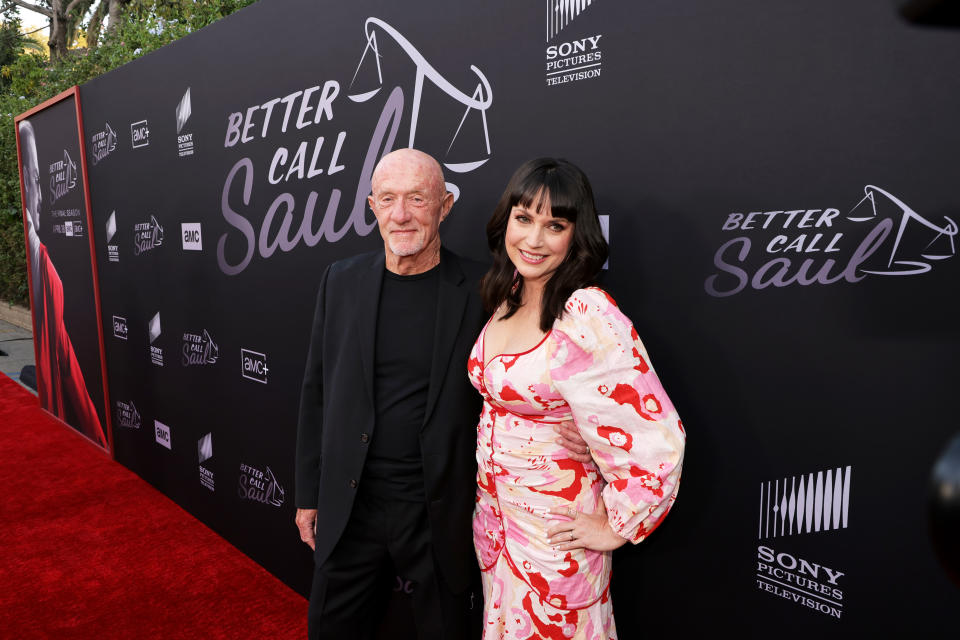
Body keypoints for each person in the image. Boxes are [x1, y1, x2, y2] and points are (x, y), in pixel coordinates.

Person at [294, 148, 590, 639]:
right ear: (371, 206)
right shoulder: (340, 281)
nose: (401, 214)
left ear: (446, 205)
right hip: (352, 506)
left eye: (417, 198)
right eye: (387, 199)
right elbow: (316, 391)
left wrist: (581, 428)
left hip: (440, 508)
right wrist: (308, 494)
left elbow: (534, 371)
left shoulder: (490, 289)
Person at [469, 158, 686, 639]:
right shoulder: (505, 294)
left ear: (576, 235)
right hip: (496, 527)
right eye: (524, 218)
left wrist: (616, 525)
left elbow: (658, 436)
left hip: (556, 536)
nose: (533, 239)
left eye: (555, 225)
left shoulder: (584, 312)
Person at [18, 119, 106, 448]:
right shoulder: (39, 257)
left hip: (56, 416)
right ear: (27, 181)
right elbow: (65, 360)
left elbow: (64, 354)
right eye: (38, 181)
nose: (43, 197)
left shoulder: (40, 256)